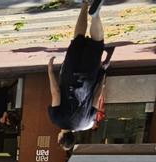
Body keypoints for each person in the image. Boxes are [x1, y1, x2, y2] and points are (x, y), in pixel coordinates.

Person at [47, 0, 111, 150]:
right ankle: (84, 5)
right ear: (61, 137)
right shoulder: (56, 119)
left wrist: (102, 77)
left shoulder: (87, 123)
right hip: (69, 74)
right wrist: (50, 71)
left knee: (97, 43)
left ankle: (95, 16)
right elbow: (55, 93)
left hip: (89, 77)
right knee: (78, 39)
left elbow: (96, 97)